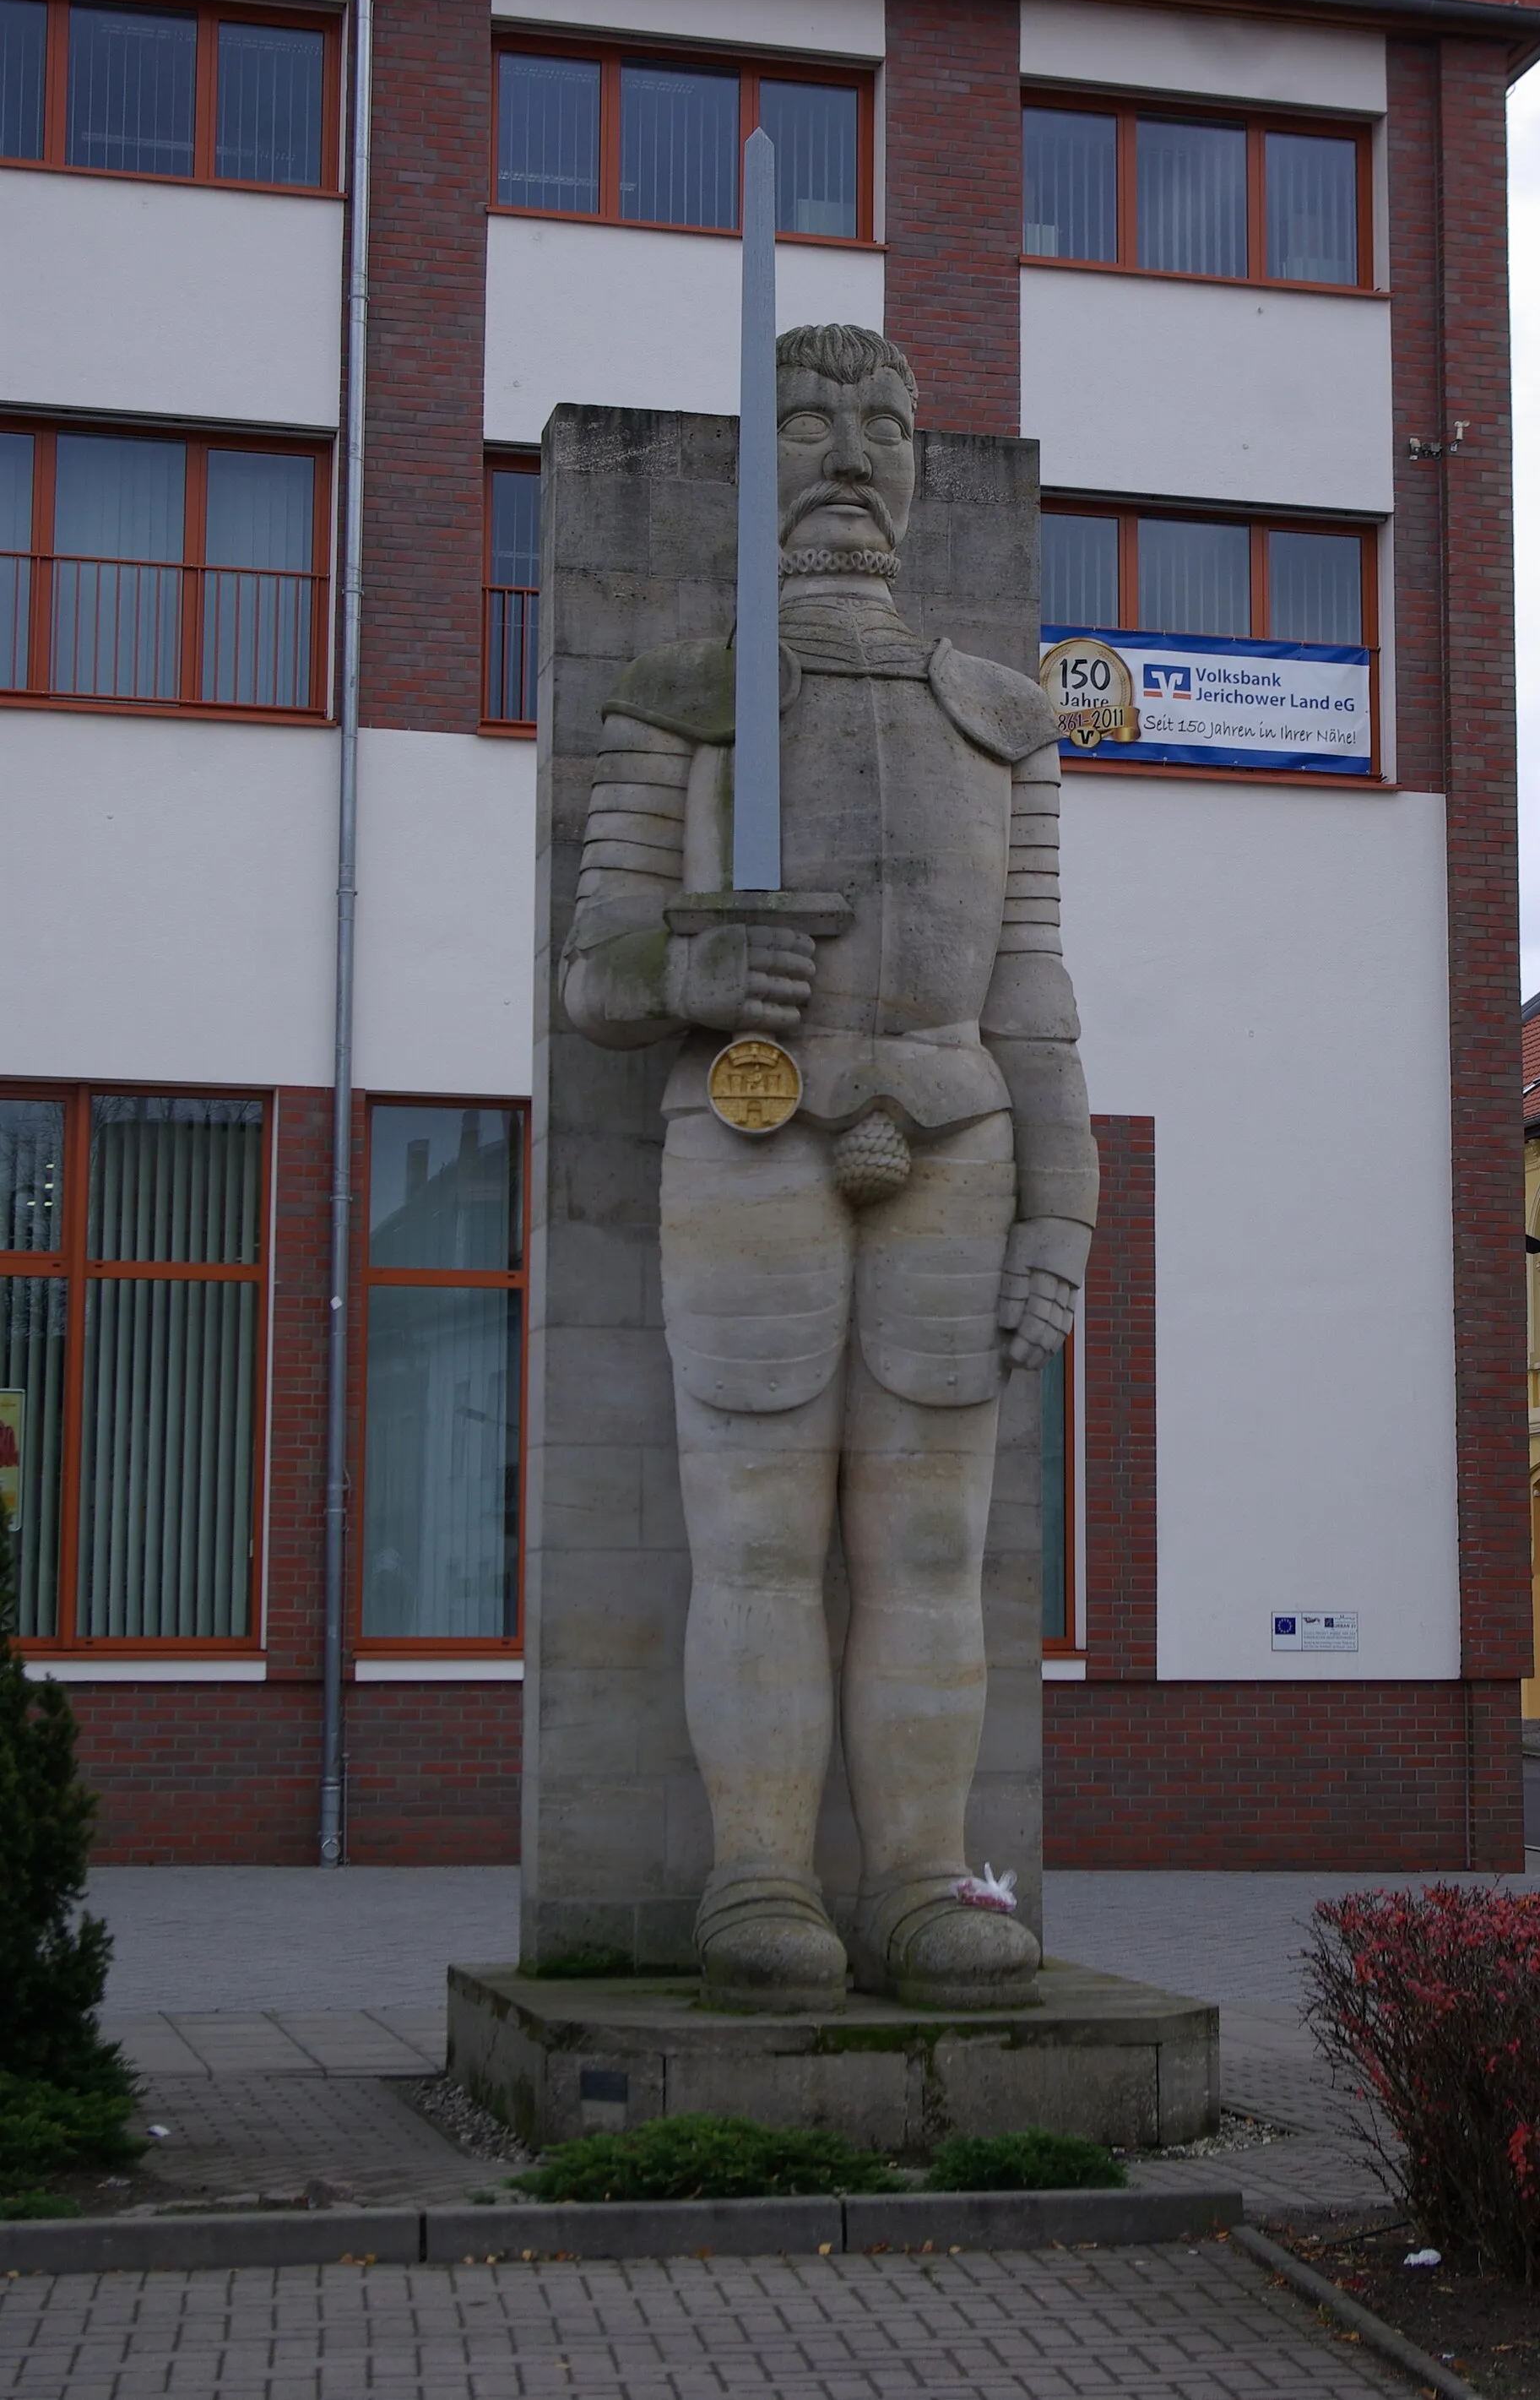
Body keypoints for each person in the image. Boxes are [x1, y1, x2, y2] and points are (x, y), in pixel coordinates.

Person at [562, 323, 1096, 2011]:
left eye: (884, 422)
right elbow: (597, 970)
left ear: (923, 468)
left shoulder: (1003, 722)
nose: (853, 452)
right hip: (744, 1132)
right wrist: (698, 969)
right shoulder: (682, 696)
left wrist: (1063, 1217)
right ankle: (759, 1879)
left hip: (954, 1145)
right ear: (755, 459)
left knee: (930, 1547)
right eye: (808, 420)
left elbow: (1032, 991)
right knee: (759, 1544)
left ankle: (932, 1884)